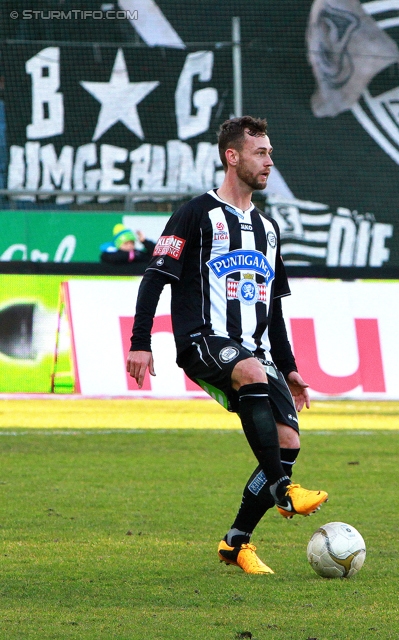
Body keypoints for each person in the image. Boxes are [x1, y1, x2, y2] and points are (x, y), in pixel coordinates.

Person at [126, 116, 328, 575]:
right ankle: (283, 489)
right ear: (231, 156)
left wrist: (291, 367)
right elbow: (155, 277)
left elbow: (273, 307)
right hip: (203, 340)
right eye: (260, 152)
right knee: (253, 379)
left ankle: (237, 542)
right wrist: (141, 342)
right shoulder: (196, 213)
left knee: (289, 441)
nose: (269, 161)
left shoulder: (269, 229)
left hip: (256, 351)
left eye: (270, 152)